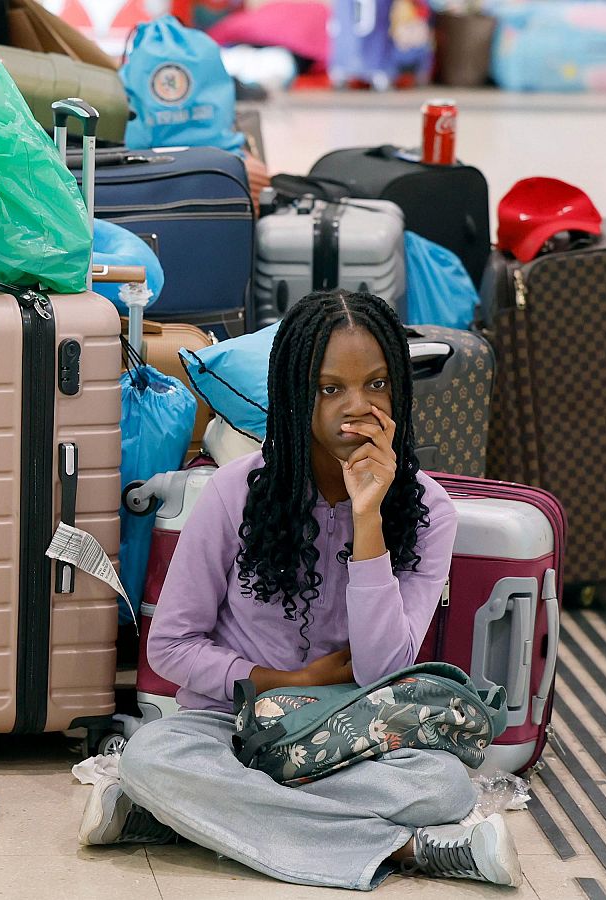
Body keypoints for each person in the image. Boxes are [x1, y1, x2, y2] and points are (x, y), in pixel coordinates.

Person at [79, 291, 521, 889]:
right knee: (152, 756)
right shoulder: (233, 493)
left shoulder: (427, 512)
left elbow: (382, 667)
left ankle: (178, 819)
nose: (357, 407)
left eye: (378, 384)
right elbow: (172, 647)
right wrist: (285, 683)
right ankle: (408, 853)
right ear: (295, 395)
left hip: (353, 736)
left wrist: (369, 520)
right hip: (231, 730)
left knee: (438, 786)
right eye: (329, 388)